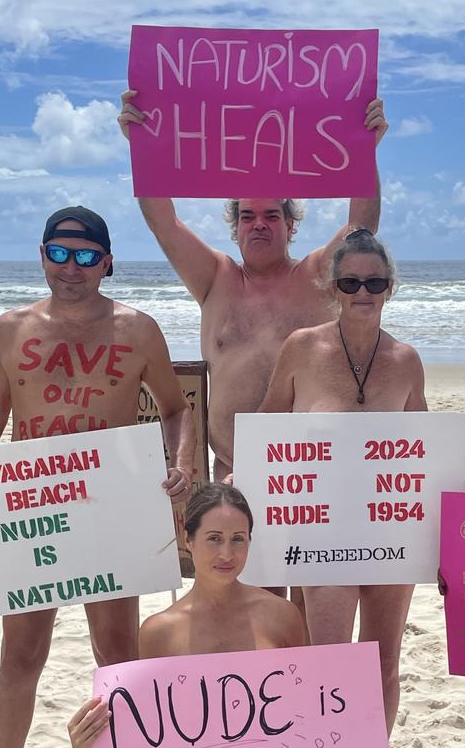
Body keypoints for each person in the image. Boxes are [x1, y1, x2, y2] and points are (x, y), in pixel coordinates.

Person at [0, 206, 195, 748]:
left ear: (107, 262)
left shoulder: (137, 329)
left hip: (109, 510)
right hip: (35, 511)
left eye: (85, 256)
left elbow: (175, 408)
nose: (70, 268)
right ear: (42, 255)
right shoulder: (10, 327)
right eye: (59, 253)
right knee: (21, 654)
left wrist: (183, 459)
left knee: (118, 653)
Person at [69, 482, 411, 748]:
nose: (226, 554)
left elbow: (314, 722)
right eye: (213, 539)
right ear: (187, 539)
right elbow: (148, 740)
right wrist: (92, 747)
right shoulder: (159, 632)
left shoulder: (280, 616)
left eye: (238, 540)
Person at [258, 228, 465, 736]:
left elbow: (424, 441)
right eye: (350, 282)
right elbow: (267, 428)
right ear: (332, 288)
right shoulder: (301, 349)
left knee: (383, 662)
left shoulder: (405, 360)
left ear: (390, 287)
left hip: (392, 534)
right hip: (321, 534)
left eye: (374, 282)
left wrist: (462, 472)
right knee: (328, 664)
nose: (362, 292)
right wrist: (243, 473)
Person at [118, 90, 388, 482]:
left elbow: (362, 228)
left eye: (270, 215)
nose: (258, 223)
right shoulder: (215, 277)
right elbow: (164, 223)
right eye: (247, 216)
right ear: (235, 227)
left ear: (290, 225)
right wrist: (140, 145)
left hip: (311, 473)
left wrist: (365, 150)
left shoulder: (316, 276)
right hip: (230, 472)